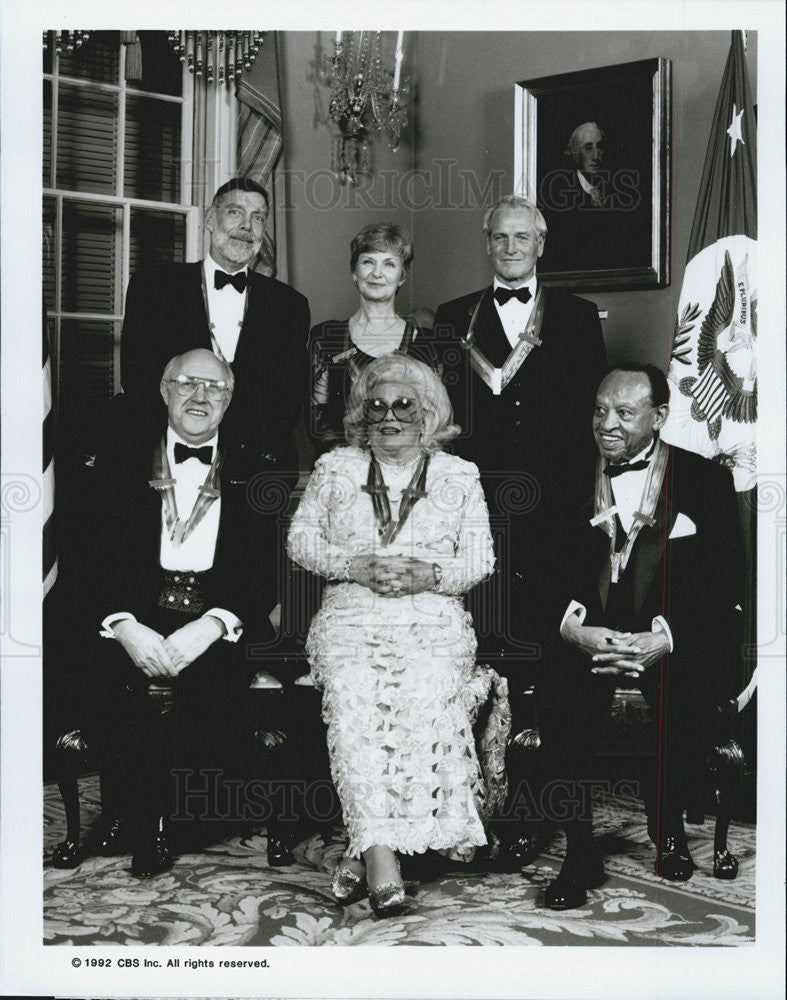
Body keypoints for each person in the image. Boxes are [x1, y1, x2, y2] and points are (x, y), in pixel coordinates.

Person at [287, 354, 510, 916]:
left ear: (428, 412)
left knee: (424, 687)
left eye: (404, 405)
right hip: (351, 613)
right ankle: (384, 855)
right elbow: (301, 543)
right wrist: (353, 565)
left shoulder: (460, 475)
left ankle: (360, 854)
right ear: (362, 415)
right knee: (356, 694)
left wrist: (429, 574)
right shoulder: (335, 468)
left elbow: (481, 560)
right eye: (377, 405)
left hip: (432, 614)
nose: (389, 416)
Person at [69, 349, 291, 878]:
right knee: (112, 683)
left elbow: (265, 569)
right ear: (164, 391)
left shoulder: (259, 467)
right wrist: (124, 626)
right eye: (187, 384)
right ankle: (130, 816)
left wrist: (213, 624)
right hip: (134, 613)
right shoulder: (118, 460)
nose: (200, 397)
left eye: (214, 388)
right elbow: (87, 554)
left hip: (217, 618)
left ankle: (175, 820)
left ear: (229, 400)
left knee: (209, 692)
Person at [539, 363, 743, 909]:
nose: (607, 424)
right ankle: (578, 849)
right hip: (590, 634)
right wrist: (576, 631)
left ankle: (668, 827)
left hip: (669, 636)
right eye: (600, 410)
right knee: (561, 691)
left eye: (625, 414)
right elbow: (534, 572)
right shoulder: (561, 475)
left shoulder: (705, 479)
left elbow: (727, 581)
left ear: (660, 417)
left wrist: (666, 637)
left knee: (688, 685)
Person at [434, 196, 606, 822]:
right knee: (488, 638)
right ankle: (483, 795)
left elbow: (592, 419)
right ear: (488, 244)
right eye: (499, 238)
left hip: (556, 507)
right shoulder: (455, 317)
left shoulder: (579, 318)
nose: (510, 248)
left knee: (550, 641)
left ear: (541, 244)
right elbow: (446, 418)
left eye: (521, 237)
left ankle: (548, 793)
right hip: (478, 507)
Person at [120, 177, 310, 473]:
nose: (247, 226)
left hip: (251, 470)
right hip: (164, 462)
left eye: (258, 217)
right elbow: (138, 382)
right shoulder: (153, 287)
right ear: (210, 219)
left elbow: (287, 402)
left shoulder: (290, 306)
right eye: (235, 212)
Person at [308, 223, 440, 456]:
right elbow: (318, 425)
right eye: (368, 262)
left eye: (389, 264)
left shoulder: (428, 344)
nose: (377, 273)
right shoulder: (325, 338)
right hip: (343, 475)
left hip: (410, 478)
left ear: (402, 276)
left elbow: (435, 424)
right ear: (353, 271)